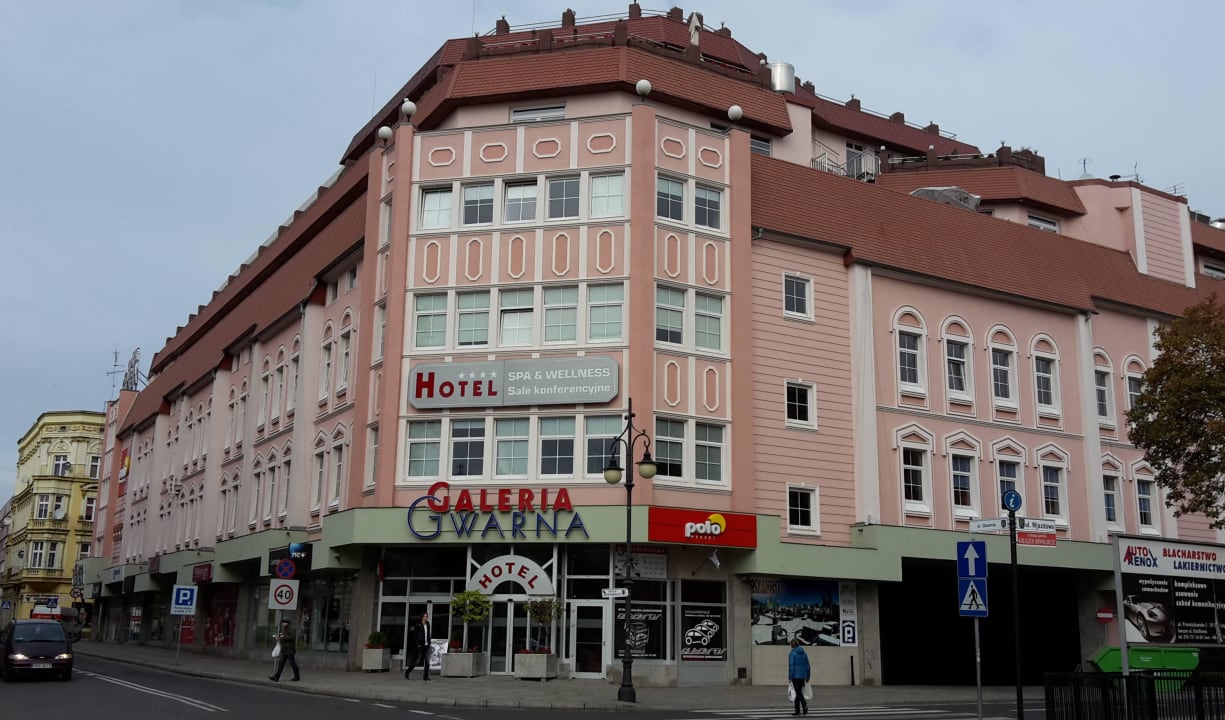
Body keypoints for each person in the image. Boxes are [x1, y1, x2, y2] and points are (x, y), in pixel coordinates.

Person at [405, 612, 431, 681]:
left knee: (427, 662)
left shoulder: (428, 624)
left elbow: (428, 634)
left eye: (427, 616)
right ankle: (407, 672)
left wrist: (429, 643)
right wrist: (418, 644)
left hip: (426, 645)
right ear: (422, 617)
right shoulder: (418, 625)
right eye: (425, 616)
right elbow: (414, 636)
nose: (426, 617)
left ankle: (426, 676)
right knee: (417, 661)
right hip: (420, 645)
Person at [788, 637, 810, 716]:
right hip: (803, 676)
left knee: (798, 692)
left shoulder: (792, 653)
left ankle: (804, 705)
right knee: (798, 692)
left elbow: (791, 666)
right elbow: (808, 666)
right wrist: (808, 676)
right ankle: (798, 711)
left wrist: (790, 677)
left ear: (792, 645)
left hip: (795, 676)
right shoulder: (804, 653)